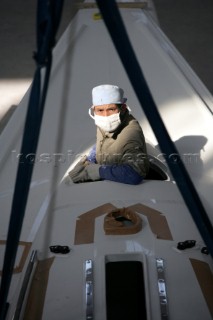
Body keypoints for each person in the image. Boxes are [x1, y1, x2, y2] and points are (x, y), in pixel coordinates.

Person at [68, 84, 149, 184]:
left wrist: (98, 171)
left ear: (122, 108)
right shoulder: (104, 122)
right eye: (100, 110)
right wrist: (89, 160)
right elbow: (102, 141)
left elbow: (134, 174)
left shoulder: (131, 133)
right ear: (94, 110)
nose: (105, 116)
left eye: (111, 109)